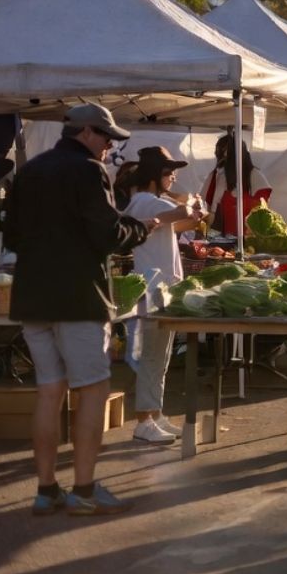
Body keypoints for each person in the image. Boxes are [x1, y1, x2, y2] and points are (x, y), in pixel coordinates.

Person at [6, 103, 189, 515]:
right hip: (77, 297)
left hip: (33, 296)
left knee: (49, 390)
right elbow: (111, 235)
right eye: (107, 138)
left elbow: (13, 236)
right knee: (93, 390)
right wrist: (147, 226)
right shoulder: (88, 171)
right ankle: (84, 489)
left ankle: (46, 487)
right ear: (86, 132)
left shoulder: (31, 170)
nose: (110, 147)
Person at [121, 146, 200, 445]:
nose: (173, 177)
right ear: (155, 175)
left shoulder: (151, 202)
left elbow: (181, 222)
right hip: (152, 289)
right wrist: (190, 202)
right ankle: (143, 419)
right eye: (168, 172)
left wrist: (191, 210)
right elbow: (182, 213)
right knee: (151, 356)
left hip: (161, 290)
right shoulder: (145, 202)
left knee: (159, 356)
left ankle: (154, 413)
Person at [201, 133, 272, 236]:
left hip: (247, 234)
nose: (223, 157)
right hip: (218, 233)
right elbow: (207, 206)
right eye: (220, 153)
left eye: (226, 153)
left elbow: (263, 208)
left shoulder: (253, 175)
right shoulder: (215, 175)